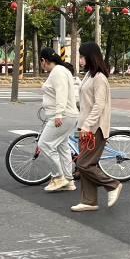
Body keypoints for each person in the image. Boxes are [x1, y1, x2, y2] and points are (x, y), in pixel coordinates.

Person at [71, 42, 123, 213]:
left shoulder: (100, 77)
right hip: (85, 126)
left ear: (90, 57)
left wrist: (86, 125)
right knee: (86, 164)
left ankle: (113, 185)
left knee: (84, 164)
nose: (80, 60)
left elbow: (99, 106)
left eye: (82, 56)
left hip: (95, 128)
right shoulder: (89, 76)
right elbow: (85, 102)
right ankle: (89, 201)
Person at [38, 48, 80, 193]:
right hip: (67, 115)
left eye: (41, 61)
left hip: (64, 116)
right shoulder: (61, 71)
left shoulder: (57, 72)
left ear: (44, 60)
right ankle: (68, 181)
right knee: (62, 147)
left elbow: (61, 93)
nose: (41, 64)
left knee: (44, 144)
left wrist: (58, 114)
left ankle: (58, 177)